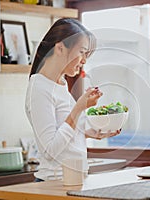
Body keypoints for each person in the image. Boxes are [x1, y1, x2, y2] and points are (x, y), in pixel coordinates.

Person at [25, 18, 121, 182]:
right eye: (82, 52)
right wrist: (78, 108)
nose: (84, 60)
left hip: (73, 179)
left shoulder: (60, 84)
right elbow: (50, 151)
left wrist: (91, 133)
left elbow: (63, 133)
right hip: (53, 182)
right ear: (60, 48)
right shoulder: (39, 88)